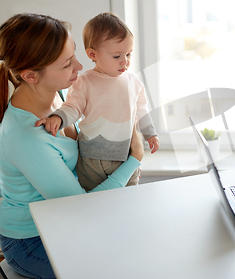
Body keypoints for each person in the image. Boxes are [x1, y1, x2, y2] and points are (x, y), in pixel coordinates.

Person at [0, 13, 144, 278]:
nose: (80, 67)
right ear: (31, 75)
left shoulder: (61, 97)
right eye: (67, 64)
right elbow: (79, 206)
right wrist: (135, 158)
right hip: (31, 241)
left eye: (75, 55)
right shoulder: (27, 137)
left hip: (61, 220)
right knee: (122, 267)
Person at [36, 12, 159, 191]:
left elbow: (141, 110)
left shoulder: (133, 81)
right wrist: (58, 118)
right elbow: (72, 107)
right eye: (117, 56)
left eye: (129, 54)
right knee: (94, 200)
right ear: (93, 54)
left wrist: (150, 133)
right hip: (91, 158)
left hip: (125, 155)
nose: (124, 61)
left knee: (130, 197)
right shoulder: (84, 81)